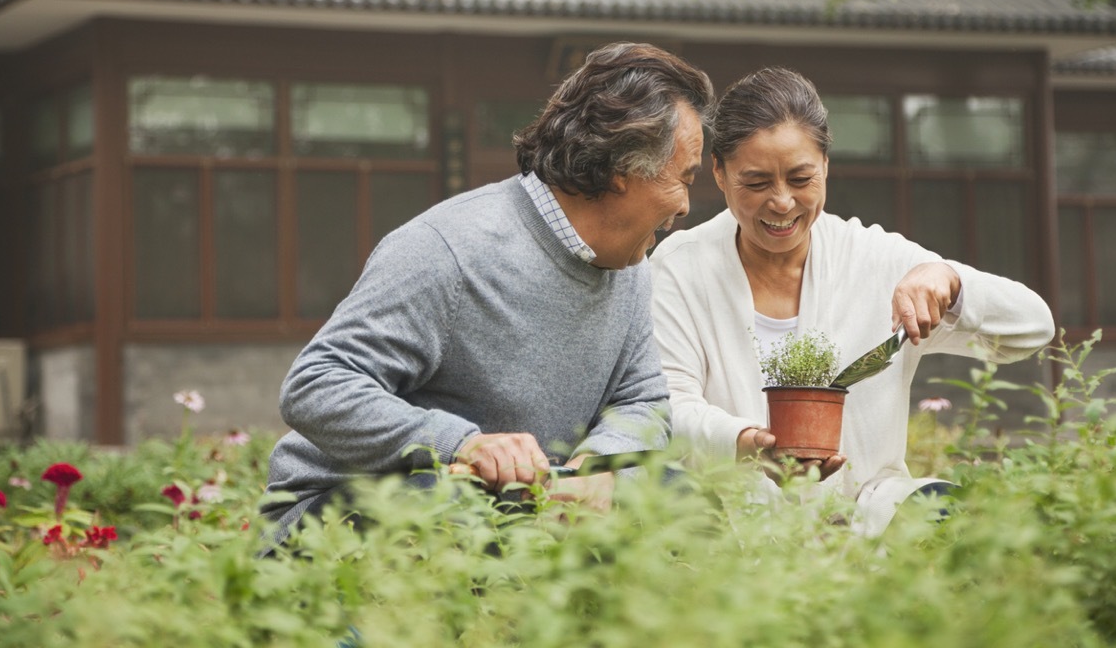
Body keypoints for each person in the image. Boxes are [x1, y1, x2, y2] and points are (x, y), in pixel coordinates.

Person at [261, 42, 714, 543]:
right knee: (464, 509)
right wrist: (463, 445)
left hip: (521, 507)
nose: (686, 206)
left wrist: (600, 466)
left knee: (682, 500)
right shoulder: (449, 249)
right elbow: (315, 386)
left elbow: (643, 398)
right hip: (344, 509)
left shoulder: (629, 265)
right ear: (621, 171)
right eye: (684, 179)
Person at [649, 66, 1055, 536]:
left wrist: (951, 281)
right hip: (730, 517)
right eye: (757, 183)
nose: (781, 203)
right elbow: (666, 407)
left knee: (947, 512)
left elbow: (1034, 327)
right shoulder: (682, 267)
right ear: (718, 173)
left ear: (825, 165)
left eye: (801, 178)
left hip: (866, 517)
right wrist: (747, 443)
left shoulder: (876, 261)